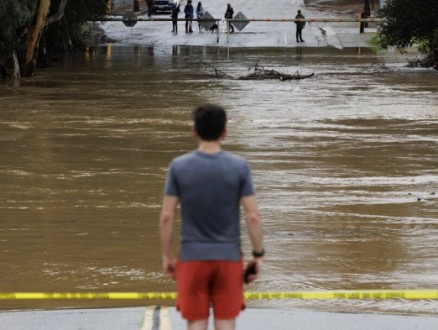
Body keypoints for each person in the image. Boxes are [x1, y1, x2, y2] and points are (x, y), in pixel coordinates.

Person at [159, 103, 264, 330]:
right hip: (228, 257)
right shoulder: (239, 166)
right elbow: (252, 215)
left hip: (192, 256)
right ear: (225, 132)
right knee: (225, 321)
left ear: (194, 131)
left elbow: (167, 216)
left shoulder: (178, 166)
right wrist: (257, 255)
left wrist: (167, 256)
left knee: (196, 321)